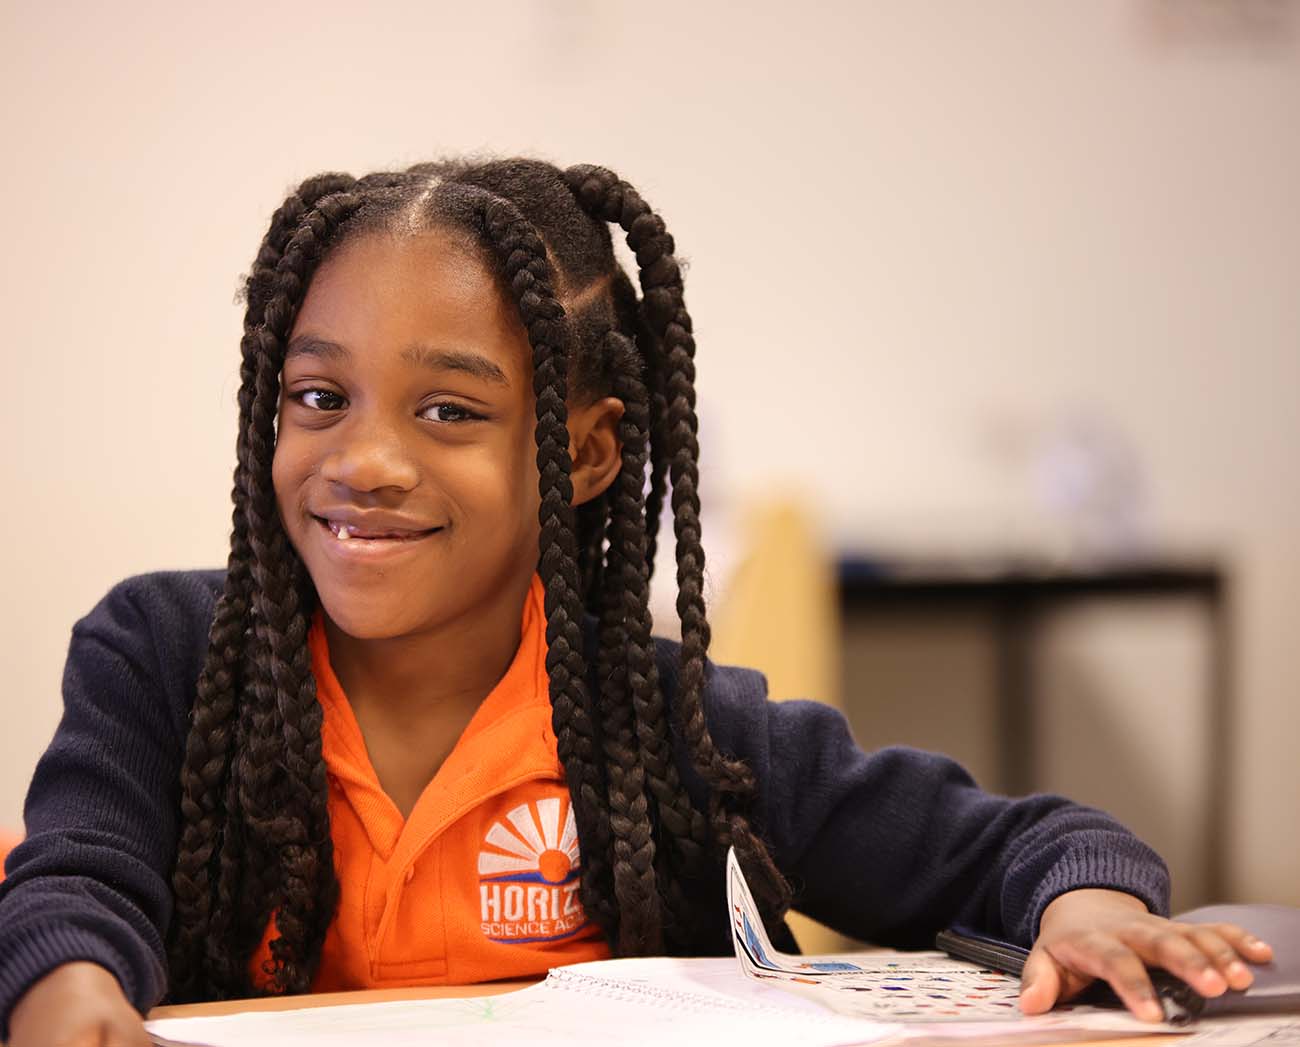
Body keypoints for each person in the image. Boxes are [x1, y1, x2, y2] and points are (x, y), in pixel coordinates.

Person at [0, 158, 1272, 1046]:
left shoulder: (675, 734)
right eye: (319, 397)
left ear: (589, 452)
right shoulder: (163, 656)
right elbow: (76, 883)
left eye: (448, 410)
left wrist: (1087, 905)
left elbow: (1016, 847)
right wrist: (65, 988)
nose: (365, 460)